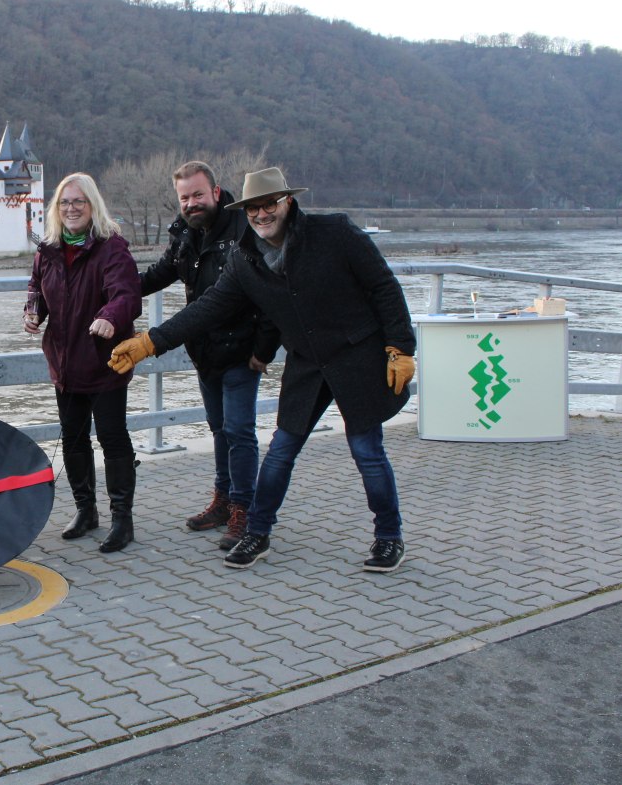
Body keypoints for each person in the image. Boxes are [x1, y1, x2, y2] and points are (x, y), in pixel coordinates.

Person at [110, 167, 416, 572]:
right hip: (307, 362)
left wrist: (399, 346)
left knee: (367, 451)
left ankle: (389, 538)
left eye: (269, 204)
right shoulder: (245, 258)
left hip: (355, 356)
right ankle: (257, 532)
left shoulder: (334, 233)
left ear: (287, 201)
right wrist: (150, 342)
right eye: (253, 208)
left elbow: (383, 286)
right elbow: (206, 308)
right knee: (281, 451)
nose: (261, 214)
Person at [140, 161, 279, 550]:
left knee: (239, 432)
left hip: (241, 351)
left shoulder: (244, 232)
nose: (191, 203)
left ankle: (243, 510)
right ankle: (223, 499)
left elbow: (270, 295)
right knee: (219, 430)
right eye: (184, 197)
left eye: (198, 194)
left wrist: (263, 350)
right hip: (204, 353)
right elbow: (158, 275)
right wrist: (114, 295)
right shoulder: (185, 234)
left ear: (217, 193)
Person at [25, 172, 142, 553]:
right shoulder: (48, 249)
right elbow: (36, 288)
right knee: (74, 440)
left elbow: (126, 294)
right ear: (56, 209)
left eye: (79, 202)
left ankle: (122, 519)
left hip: (103, 362)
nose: (71, 208)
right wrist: (33, 311)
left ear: (93, 206)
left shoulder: (112, 248)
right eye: (64, 202)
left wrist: (110, 316)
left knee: (112, 438)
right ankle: (85, 510)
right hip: (64, 364)